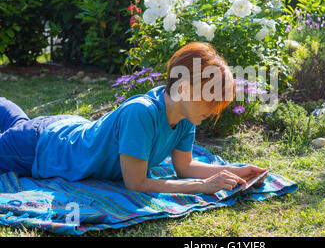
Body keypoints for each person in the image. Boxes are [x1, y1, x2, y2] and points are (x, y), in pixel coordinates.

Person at [0, 42, 267, 195]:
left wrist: (236, 170)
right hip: (39, 148)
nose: (213, 109)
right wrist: (202, 187)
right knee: (18, 129)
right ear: (184, 89)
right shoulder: (141, 112)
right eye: (210, 100)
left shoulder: (186, 116)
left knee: (16, 122)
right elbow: (136, 183)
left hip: (66, 130)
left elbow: (185, 168)